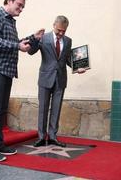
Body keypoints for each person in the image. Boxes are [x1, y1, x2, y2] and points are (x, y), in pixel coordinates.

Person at [0, 0, 44, 162]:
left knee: (1, 109)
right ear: (9, 1)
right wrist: (17, 45)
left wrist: (33, 38)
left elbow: (16, 43)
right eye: (19, 5)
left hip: (5, 71)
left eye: (23, 6)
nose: (21, 9)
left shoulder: (10, 22)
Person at [28, 15, 85, 147]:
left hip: (60, 79)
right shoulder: (43, 37)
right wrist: (35, 40)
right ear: (54, 25)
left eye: (63, 31)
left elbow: (67, 59)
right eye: (59, 30)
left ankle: (53, 136)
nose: (60, 33)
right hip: (45, 78)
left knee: (56, 109)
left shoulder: (68, 41)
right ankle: (41, 137)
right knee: (43, 108)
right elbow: (31, 51)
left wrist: (78, 68)